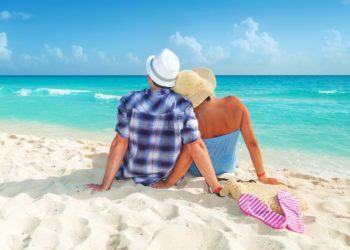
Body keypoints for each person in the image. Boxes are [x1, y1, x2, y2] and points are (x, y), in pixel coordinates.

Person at [85, 50, 222, 194]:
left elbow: (119, 143)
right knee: (191, 142)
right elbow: (197, 146)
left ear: (149, 76)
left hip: (132, 171)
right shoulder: (184, 105)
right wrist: (215, 187)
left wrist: (104, 186)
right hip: (166, 175)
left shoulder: (129, 100)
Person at [153, 68, 281, 189]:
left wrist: (169, 183)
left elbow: (188, 155)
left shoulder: (191, 118)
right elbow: (252, 143)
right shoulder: (235, 103)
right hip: (228, 168)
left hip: (198, 171)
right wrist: (262, 177)